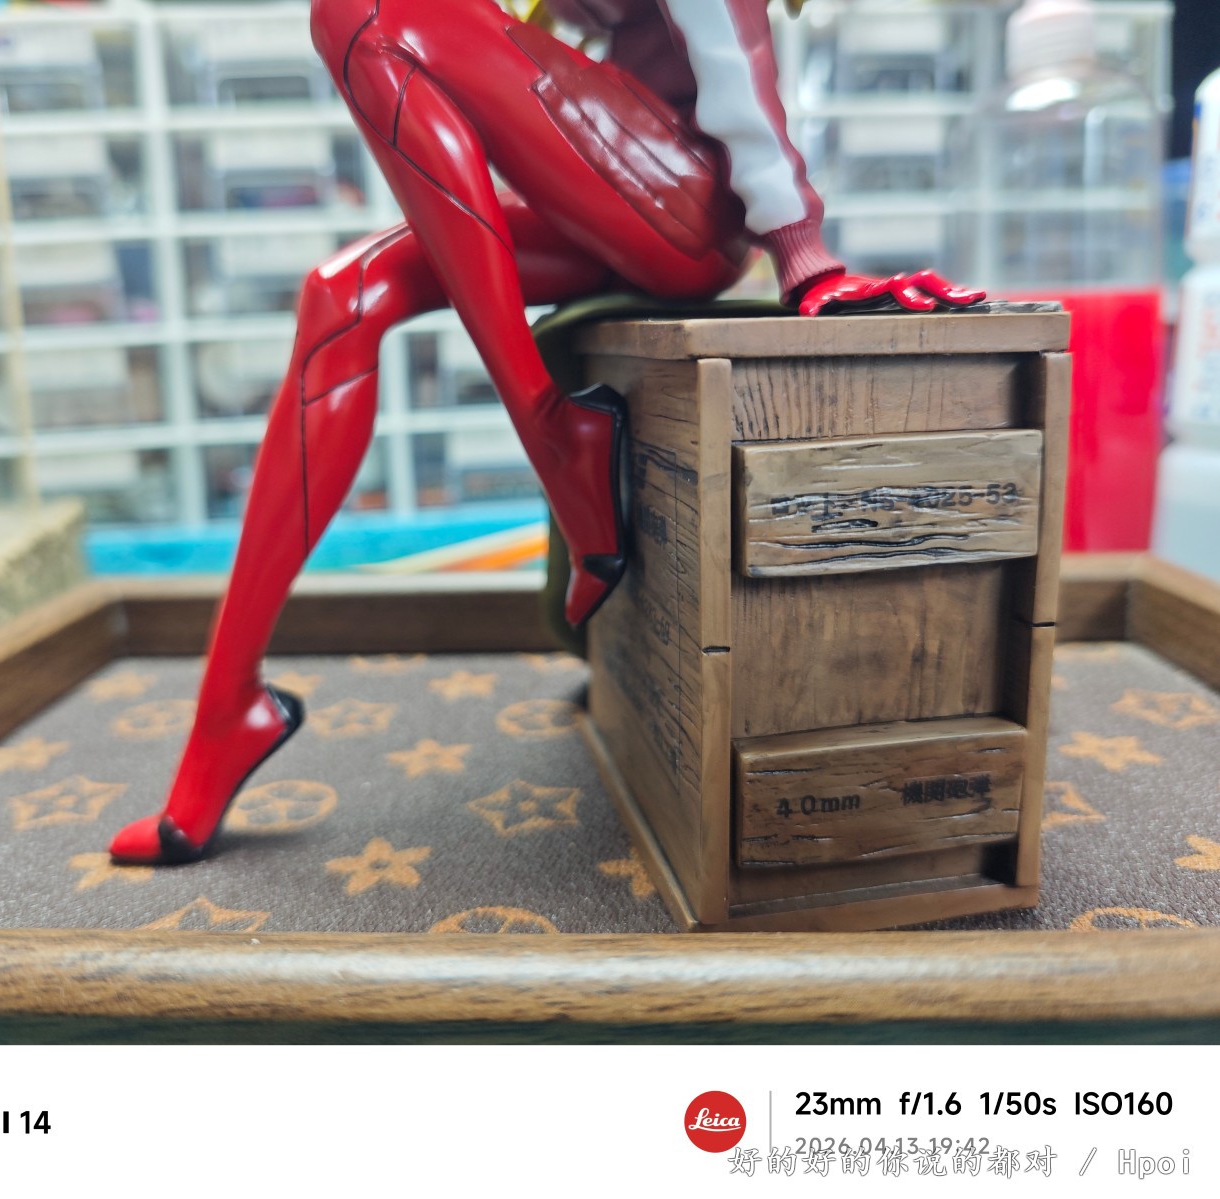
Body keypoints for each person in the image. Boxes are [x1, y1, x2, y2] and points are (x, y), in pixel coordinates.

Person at [109, 0, 982, 865]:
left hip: (686, 198)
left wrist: (801, 250)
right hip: (607, 191)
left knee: (360, 11)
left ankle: (552, 434)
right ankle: (228, 708)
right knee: (342, 296)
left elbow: (730, 34)